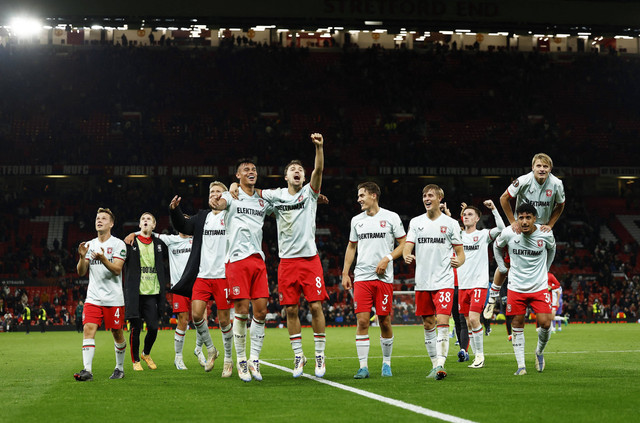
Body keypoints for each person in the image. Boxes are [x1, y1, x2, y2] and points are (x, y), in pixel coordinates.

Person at [258, 133, 328, 378]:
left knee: (316, 306)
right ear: (286, 176)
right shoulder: (275, 196)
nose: (297, 171)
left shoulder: (310, 192)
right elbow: (252, 195)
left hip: (310, 260)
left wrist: (319, 148)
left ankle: (320, 355)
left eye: (300, 169)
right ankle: (299, 356)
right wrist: (235, 188)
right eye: (293, 169)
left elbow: (318, 169)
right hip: (287, 262)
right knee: (290, 310)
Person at [209, 159, 274, 382]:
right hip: (236, 259)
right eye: (246, 170)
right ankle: (241, 361)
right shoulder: (232, 196)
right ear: (238, 176)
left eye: (254, 169)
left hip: (258, 260)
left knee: (262, 312)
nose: (251, 172)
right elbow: (218, 205)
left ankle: (254, 360)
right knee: (242, 311)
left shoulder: (263, 200)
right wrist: (217, 199)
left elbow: (284, 207)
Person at [485, 153, 565, 318]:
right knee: (506, 265)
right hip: (521, 226)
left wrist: (550, 225)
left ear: (550, 169)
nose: (542, 169)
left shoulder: (557, 184)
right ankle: (493, 296)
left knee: (538, 264)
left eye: (545, 166)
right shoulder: (523, 181)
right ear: (533, 167)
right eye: (539, 166)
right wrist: (513, 221)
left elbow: (561, 205)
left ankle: (537, 299)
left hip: (540, 230)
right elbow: (504, 198)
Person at [342, 182, 406, 379]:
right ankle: (363, 367)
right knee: (362, 321)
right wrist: (345, 273)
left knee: (384, 321)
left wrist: (387, 259)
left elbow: (404, 244)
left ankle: (386, 363)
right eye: (358, 195)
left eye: (362, 195)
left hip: (384, 278)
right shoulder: (356, 221)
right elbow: (352, 247)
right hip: (362, 277)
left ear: (373, 196)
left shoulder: (391, 217)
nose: (359, 199)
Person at [170, 181, 235, 377]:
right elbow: (183, 225)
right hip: (203, 275)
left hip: (223, 276)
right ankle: (211, 349)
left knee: (224, 321)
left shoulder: (230, 215)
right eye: (211, 191)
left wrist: (232, 191)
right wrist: (175, 210)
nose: (214, 194)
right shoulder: (202, 217)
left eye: (218, 191)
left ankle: (228, 360)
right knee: (197, 315)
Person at [403, 184, 465, 381]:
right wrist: (406, 255)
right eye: (424, 196)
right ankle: (433, 364)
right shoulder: (415, 222)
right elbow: (408, 246)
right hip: (422, 282)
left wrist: (459, 261)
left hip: (444, 281)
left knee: (442, 321)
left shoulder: (451, 223)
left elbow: (461, 253)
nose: (426, 198)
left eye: (430, 195)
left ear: (440, 198)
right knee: (428, 323)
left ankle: (440, 364)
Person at [494, 203, 556, 375]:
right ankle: (521, 366)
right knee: (517, 324)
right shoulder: (509, 232)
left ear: (535, 218)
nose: (524, 221)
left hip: (539, 287)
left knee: (545, 323)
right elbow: (496, 247)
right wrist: (502, 267)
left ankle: (539, 352)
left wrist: (546, 269)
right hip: (516, 287)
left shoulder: (545, 234)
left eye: (528, 217)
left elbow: (552, 249)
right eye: (521, 217)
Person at [74, 208, 127, 381]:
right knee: (88, 328)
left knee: (117, 333)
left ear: (111, 224)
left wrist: (104, 259)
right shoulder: (89, 245)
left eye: (104, 218)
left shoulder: (118, 244)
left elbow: (117, 270)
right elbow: (81, 272)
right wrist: (82, 258)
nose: (99, 220)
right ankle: (87, 370)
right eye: (97, 218)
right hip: (94, 297)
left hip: (113, 298)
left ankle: (119, 368)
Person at [457, 200, 505, 369]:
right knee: (468, 322)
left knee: (473, 318)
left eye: (470, 214)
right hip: (462, 285)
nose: (466, 217)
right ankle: (476, 355)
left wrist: (494, 210)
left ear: (477, 218)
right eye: (464, 215)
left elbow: (501, 228)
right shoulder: (458, 236)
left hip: (479, 284)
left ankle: (479, 356)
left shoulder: (483, 235)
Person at [124, 212, 168, 371]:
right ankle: (136, 360)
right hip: (136, 293)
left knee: (153, 327)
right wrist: (132, 234)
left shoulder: (159, 243)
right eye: (143, 219)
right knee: (136, 329)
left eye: (149, 219)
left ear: (154, 225)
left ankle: (146, 353)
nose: (145, 221)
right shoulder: (130, 242)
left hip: (152, 293)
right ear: (139, 224)